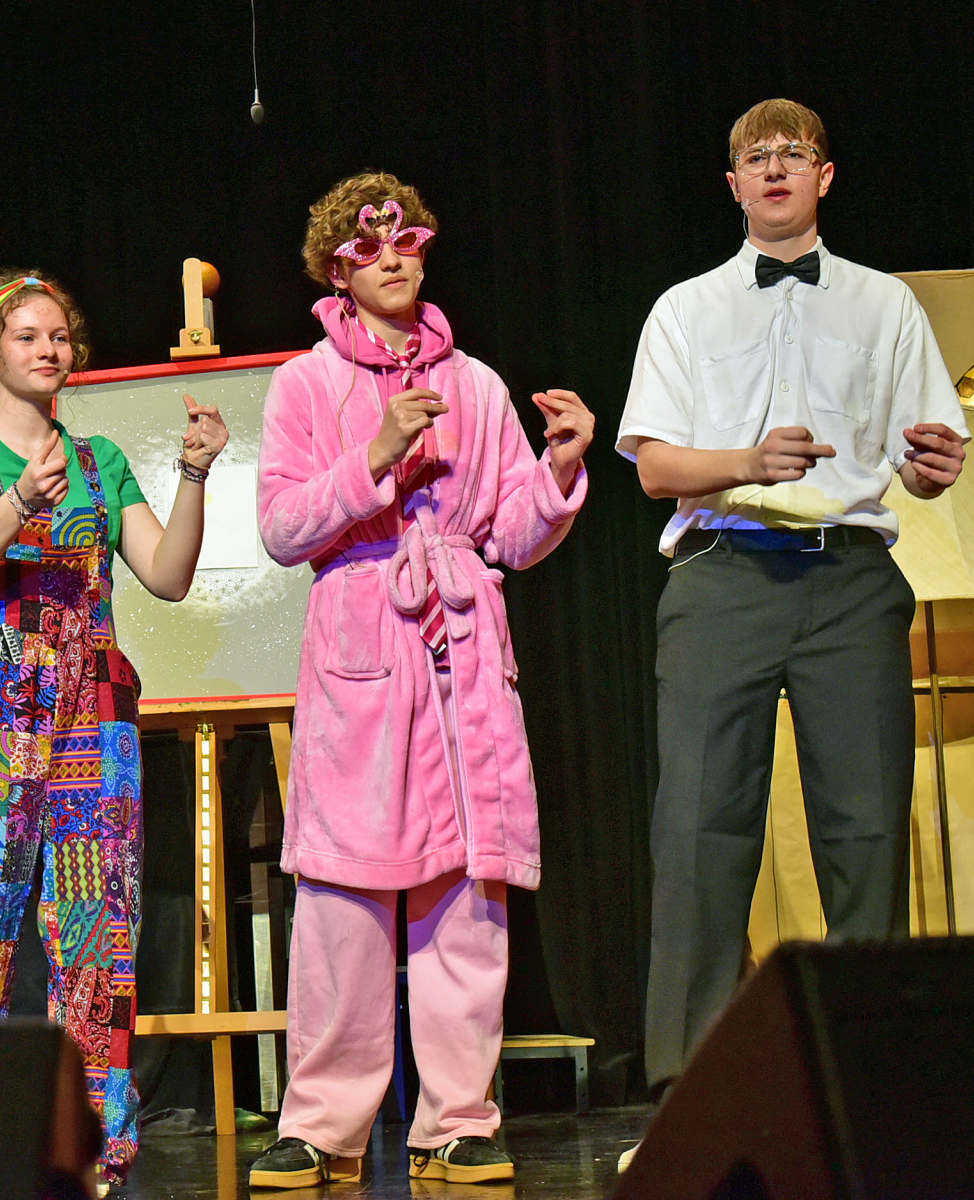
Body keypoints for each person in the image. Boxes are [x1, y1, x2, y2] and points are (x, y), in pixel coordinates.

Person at [616, 98, 967, 1158]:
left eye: (793, 154)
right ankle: (685, 1106)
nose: (774, 168)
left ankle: (870, 1100)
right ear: (732, 186)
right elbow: (653, 466)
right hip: (721, 574)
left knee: (864, 830)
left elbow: (922, 455)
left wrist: (931, 468)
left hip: (848, 578)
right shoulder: (684, 309)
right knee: (697, 832)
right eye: (755, 157)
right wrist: (745, 460)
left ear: (823, 176)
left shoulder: (884, 303)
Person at [249, 173, 593, 1189]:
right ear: (337, 268)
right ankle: (323, 1126)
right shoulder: (304, 384)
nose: (393, 258)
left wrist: (557, 469)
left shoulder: (476, 384)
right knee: (343, 895)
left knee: (465, 888)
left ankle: (459, 1121)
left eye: (407, 242)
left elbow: (510, 535)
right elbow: (281, 528)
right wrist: (375, 453)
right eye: (368, 247)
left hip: (462, 642)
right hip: (361, 638)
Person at [0, 270, 227, 1190]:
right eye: (27, 336)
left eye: (60, 336)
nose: (49, 349)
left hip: (91, 715)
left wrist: (194, 473)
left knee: (95, 925)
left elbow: (167, 575)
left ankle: (90, 1145)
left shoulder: (98, 459)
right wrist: (17, 505)